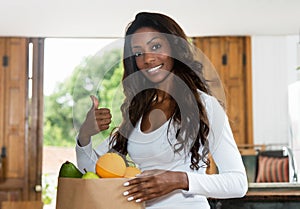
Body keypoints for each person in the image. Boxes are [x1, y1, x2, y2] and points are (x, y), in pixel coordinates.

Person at [76, 12, 248, 209]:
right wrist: (85, 135)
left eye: (156, 46)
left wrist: (179, 180)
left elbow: (238, 183)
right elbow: (89, 172)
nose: (148, 59)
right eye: (138, 53)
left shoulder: (204, 105)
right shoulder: (138, 111)